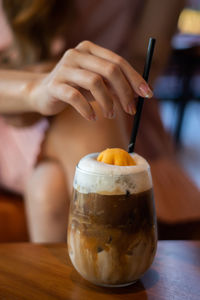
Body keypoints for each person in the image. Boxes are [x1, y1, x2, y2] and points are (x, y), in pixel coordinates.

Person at [0, 0, 185, 242]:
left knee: (48, 187)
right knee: (92, 109)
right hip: (14, 110)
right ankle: (121, 261)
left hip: (121, 116)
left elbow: (147, 65)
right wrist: (40, 86)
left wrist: (95, 80)